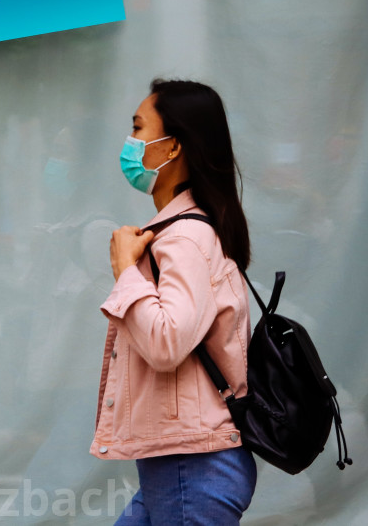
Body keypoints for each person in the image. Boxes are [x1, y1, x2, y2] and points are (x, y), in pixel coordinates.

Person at [91, 79, 257, 525]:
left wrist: (126, 269)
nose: (131, 143)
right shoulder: (184, 229)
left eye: (139, 128)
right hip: (180, 465)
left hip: (192, 466)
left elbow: (167, 343)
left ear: (171, 149)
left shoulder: (185, 236)